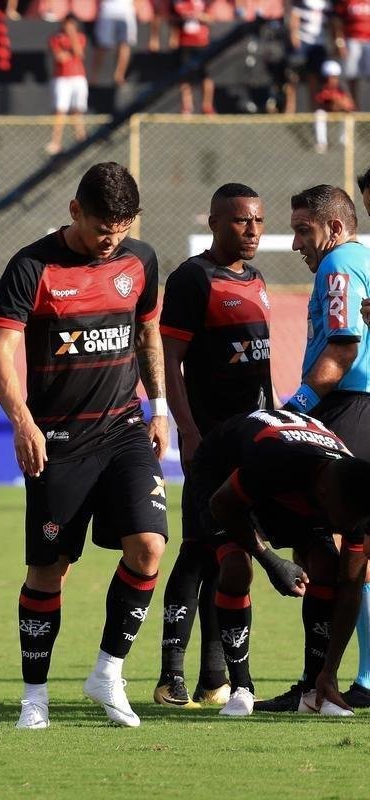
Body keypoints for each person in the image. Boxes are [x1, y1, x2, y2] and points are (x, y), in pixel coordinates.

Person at [0, 162, 169, 729]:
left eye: (120, 228)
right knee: (50, 569)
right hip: (58, 441)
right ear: (74, 212)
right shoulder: (31, 266)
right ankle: (34, 697)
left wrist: (158, 406)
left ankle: (108, 672)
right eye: (99, 229)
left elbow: (147, 331)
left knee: (149, 547)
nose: (109, 240)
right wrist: (21, 421)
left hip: (123, 429)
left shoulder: (141, 260)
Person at [153, 184, 273, 709]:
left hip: (253, 439)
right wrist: (187, 428)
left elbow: (262, 365)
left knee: (232, 553)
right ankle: (170, 676)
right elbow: (171, 359)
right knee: (200, 550)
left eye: (258, 222)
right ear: (215, 222)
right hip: (211, 439)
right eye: (240, 221)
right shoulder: (191, 278)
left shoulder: (258, 279)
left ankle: (213, 677)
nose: (252, 231)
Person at [255, 183, 370, 712]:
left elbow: (343, 344)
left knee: (321, 545)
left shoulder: (338, 265)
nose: (297, 241)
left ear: (336, 227)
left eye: (305, 229)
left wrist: (295, 406)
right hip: (355, 406)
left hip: (348, 409)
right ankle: (357, 679)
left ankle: (317, 685)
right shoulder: (363, 257)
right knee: (354, 549)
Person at [191, 409, 370, 717]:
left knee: (328, 565)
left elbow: (351, 585)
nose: (345, 528)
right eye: (342, 522)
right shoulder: (277, 459)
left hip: (293, 484)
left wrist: (331, 669)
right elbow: (223, 505)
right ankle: (241, 689)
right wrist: (270, 561)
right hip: (221, 473)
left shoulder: (354, 495)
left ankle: (314, 688)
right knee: (236, 568)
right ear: (325, 496)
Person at [45, 15, 89, 154]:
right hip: (62, 78)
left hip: (78, 78)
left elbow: (79, 54)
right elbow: (60, 58)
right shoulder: (55, 38)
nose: (69, 27)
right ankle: (56, 142)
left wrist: (72, 37)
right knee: (60, 110)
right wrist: (69, 53)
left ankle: (81, 138)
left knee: (78, 109)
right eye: (67, 24)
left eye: (72, 24)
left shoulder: (80, 37)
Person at [284, 0, 332, 114]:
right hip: (302, 42)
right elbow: (294, 16)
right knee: (293, 76)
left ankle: (314, 109)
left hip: (318, 44)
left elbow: (332, 21)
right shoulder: (301, 2)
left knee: (314, 78)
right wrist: (294, 36)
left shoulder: (327, 3)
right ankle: (290, 109)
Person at [174, 0, 214, 114]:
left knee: (205, 75)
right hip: (185, 43)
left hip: (201, 43)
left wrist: (198, 16)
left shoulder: (203, 3)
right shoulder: (179, 3)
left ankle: (207, 106)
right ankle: (187, 106)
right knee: (184, 76)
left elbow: (212, 18)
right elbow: (172, 19)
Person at [92, 0, 138, 85]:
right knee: (102, 45)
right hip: (107, 12)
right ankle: (94, 76)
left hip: (126, 14)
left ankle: (119, 76)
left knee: (125, 45)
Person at [313, 60, 355, 153]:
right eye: (330, 77)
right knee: (319, 115)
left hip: (340, 113)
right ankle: (322, 143)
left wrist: (339, 102)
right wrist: (336, 101)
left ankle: (345, 142)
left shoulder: (342, 87)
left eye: (334, 77)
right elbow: (320, 103)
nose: (332, 80)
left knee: (349, 116)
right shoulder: (321, 88)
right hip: (327, 114)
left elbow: (350, 105)